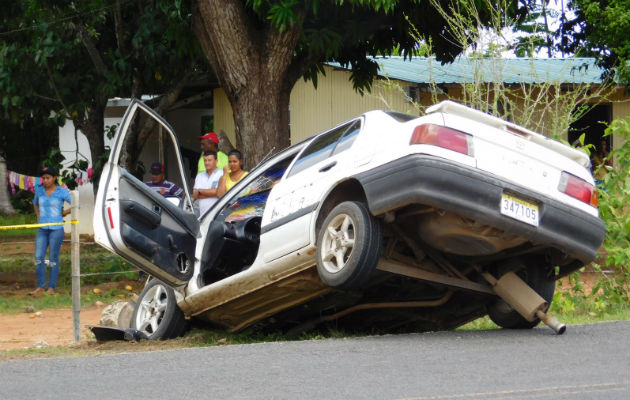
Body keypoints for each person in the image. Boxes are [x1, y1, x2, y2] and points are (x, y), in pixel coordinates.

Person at [30, 166, 71, 295]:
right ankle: (41, 286)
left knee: (53, 258)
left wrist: (64, 213)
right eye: (43, 178)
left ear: (54, 178)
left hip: (57, 230)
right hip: (42, 229)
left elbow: (76, 204)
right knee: (38, 257)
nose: (45, 180)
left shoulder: (62, 192)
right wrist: (38, 215)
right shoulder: (40, 191)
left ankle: (51, 287)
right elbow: (35, 203)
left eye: (48, 178)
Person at [193, 150, 224, 216]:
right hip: (203, 215)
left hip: (217, 214)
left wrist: (200, 191)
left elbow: (220, 193)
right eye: (205, 160)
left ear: (216, 161)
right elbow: (195, 195)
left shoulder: (222, 174)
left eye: (209, 160)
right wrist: (214, 192)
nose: (207, 163)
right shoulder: (200, 175)